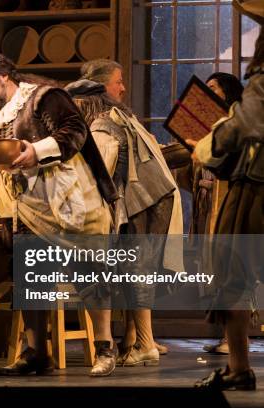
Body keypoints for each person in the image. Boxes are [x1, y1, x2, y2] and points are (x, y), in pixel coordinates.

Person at [0, 52, 119, 376]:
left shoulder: (43, 98)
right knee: (31, 279)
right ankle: (38, 353)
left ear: (4, 74)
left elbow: (75, 130)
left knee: (87, 274)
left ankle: (105, 347)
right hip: (25, 207)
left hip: (67, 198)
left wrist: (35, 150)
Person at [66, 79, 184, 368]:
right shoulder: (122, 116)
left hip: (144, 201)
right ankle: (136, 342)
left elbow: (100, 174)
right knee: (136, 271)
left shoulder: (102, 127)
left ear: (83, 104)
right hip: (153, 198)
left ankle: (145, 344)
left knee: (136, 270)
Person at [192, 9, 263, 390]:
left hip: (256, 188)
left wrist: (209, 144)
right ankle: (238, 367)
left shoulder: (262, 81)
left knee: (232, 273)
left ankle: (239, 368)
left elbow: (245, 125)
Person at [195, 72, 245, 355]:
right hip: (210, 203)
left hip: (231, 203)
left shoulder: (234, 122)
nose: (208, 90)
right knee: (215, 270)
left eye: (213, 87)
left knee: (232, 269)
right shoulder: (212, 124)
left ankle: (235, 346)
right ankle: (229, 341)